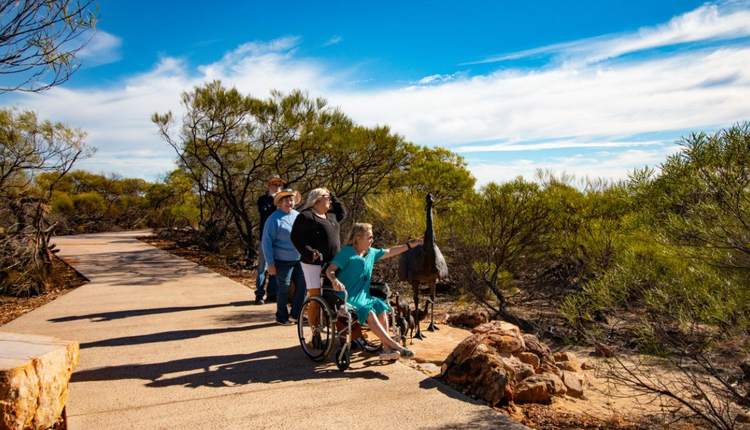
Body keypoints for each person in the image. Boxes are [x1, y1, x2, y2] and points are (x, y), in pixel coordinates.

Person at [326, 223, 423, 360]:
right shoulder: (347, 252)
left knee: (380, 307)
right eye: (369, 237)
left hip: (363, 296)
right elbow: (329, 270)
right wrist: (335, 281)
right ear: (358, 237)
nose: (372, 240)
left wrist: (410, 245)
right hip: (346, 296)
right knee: (370, 312)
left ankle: (387, 349)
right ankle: (398, 347)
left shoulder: (371, 253)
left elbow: (390, 251)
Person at [261, 188, 307, 325]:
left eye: (291, 199)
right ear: (280, 202)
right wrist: (270, 263)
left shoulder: (298, 216)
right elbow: (267, 242)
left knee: (302, 286)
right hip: (281, 261)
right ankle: (281, 316)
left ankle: (296, 313)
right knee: (284, 288)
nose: (289, 202)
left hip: (299, 260)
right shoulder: (274, 219)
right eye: (286, 200)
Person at [290, 188, 346, 297]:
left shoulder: (331, 215)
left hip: (333, 263)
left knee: (330, 296)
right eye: (327, 198)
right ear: (318, 200)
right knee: (316, 296)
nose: (330, 201)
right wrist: (309, 252)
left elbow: (341, 212)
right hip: (315, 263)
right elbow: (296, 237)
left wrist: (332, 195)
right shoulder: (306, 216)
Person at [255, 175, 284, 305]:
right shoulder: (263, 200)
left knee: (275, 266)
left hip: (279, 239)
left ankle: (272, 293)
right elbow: (265, 213)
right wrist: (275, 202)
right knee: (262, 267)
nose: (277, 187)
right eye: (275, 184)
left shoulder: (283, 200)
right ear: (269, 185)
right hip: (265, 238)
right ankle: (259, 294)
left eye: (279, 185)